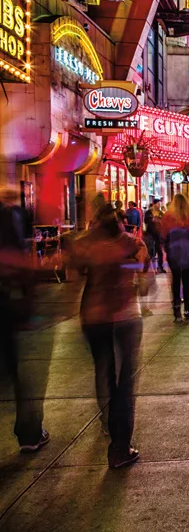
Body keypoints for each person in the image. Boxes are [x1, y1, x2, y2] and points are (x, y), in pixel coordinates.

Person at [73, 200, 145, 468]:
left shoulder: (85, 245)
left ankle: (108, 422)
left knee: (103, 371)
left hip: (93, 316)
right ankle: (120, 447)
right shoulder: (131, 242)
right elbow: (143, 270)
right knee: (124, 381)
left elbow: (72, 271)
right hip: (126, 315)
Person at [0, 186, 51, 453]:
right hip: (11, 303)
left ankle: (30, 431)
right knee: (24, 371)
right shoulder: (10, 217)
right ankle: (30, 432)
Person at [160, 195, 189, 322]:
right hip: (187, 252)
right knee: (187, 282)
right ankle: (187, 310)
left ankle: (176, 311)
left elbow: (163, 235)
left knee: (175, 281)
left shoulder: (168, 217)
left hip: (173, 252)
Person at [143, 198, 165, 273]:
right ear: (154, 204)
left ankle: (160, 267)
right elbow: (146, 221)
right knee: (149, 250)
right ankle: (147, 267)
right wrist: (153, 219)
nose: (159, 206)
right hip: (150, 233)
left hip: (158, 234)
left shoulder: (160, 213)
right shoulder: (149, 212)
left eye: (160, 204)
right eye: (158, 204)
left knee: (159, 251)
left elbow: (163, 221)